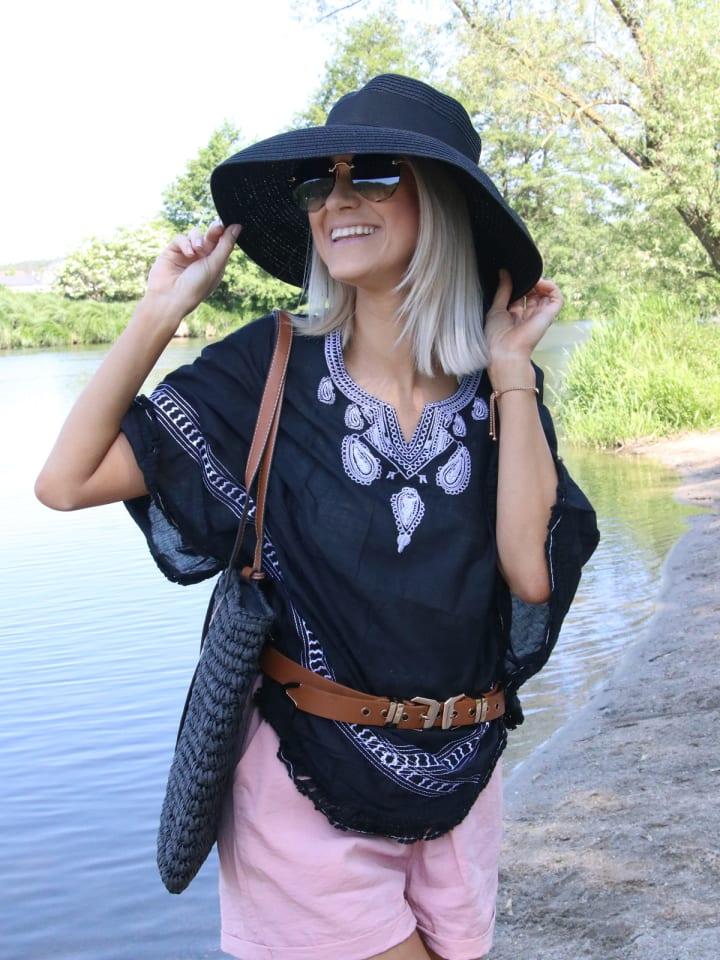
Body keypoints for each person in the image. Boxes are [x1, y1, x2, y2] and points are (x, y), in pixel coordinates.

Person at [35, 74, 600, 960]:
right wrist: (160, 312)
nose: (336, 199)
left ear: (443, 203)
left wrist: (511, 370)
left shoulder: (498, 395)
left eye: (370, 173)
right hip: (301, 785)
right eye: (318, 181)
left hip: (464, 779)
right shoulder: (267, 367)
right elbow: (66, 482)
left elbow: (530, 571)